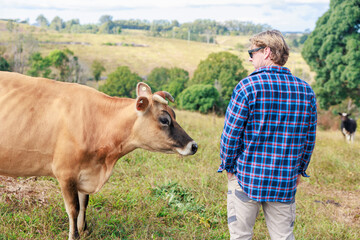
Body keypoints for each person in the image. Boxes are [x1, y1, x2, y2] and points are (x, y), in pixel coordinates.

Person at [218, 30, 317, 240]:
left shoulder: (247, 87)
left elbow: (230, 135)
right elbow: (309, 139)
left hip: (246, 177)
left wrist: (228, 166)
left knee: (241, 236)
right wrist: (300, 170)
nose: (250, 57)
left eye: (252, 52)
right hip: (284, 181)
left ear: (267, 51)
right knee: (283, 236)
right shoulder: (306, 91)